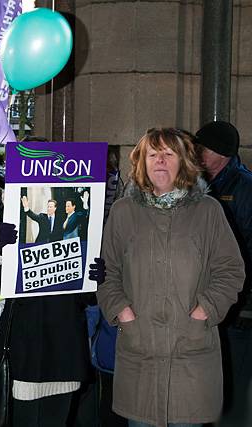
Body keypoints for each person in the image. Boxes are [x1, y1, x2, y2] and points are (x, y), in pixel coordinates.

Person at [96, 127, 245, 427]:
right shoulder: (124, 212)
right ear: (141, 162)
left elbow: (230, 271)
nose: (160, 161)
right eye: (153, 154)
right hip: (140, 358)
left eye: (168, 154)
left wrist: (203, 312)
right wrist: (123, 314)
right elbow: (106, 272)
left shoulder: (207, 211)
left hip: (190, 359)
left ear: (184, 161)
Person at [193, 121, 252, 426]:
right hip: (205, 307)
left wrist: (235, 297)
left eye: (203, 148)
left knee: (231, 395)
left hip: (237, 312)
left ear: (222, 154)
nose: (197, 152)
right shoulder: (196, 184)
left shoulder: (244, 188)